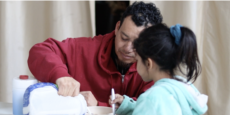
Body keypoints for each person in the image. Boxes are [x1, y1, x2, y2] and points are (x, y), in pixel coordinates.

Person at [80, 23, 208, 115]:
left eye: (137, 59)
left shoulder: (153, 97)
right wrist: (126, 106)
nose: (135, 64)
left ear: (148, 63)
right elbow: (158, 113)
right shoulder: (183, 88)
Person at [28, 2, 163, 106]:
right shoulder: (87, 48)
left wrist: (99, 106)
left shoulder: (156, 66)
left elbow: (150, 109)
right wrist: (60, 75)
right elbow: (40, 50)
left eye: (138, 44)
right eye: (124, 38)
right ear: (117, 28)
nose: (127, 48)